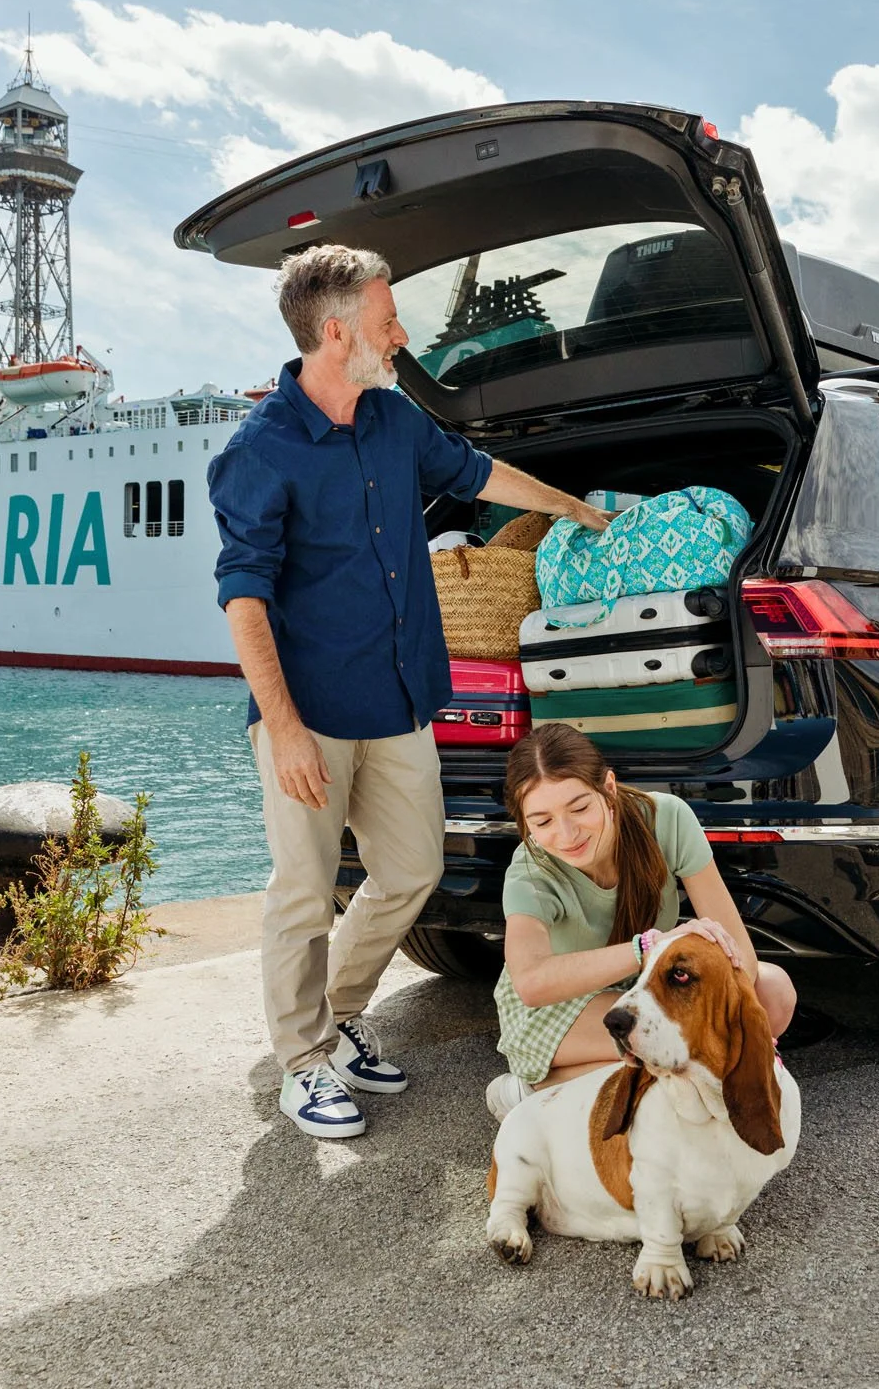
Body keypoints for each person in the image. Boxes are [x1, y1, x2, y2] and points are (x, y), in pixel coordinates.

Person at [210, 244, 609, 1139]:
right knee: (305, 892)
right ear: (339, 329)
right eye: (389, 321)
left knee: (411, 871)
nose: (401, 335)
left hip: (400, 702)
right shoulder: (260, 450)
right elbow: (244, 599)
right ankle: (302, 1063)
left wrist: (574, 509)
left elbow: (481, 476)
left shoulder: (394, 421)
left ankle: (339, 1013)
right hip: (305, 716)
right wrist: (284, 730)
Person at [485, 723, 798, 1119]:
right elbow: (531, 983)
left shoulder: (666, 818)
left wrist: (718, 1031)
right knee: (659, 1073)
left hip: (642, 988)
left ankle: (591, 1084)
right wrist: (650, 948)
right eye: (542, 821)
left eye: (580, 808)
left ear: (609, 789)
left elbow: (740, 957)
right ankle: (531, 1090)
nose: (566, 834)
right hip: (556, 1005)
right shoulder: (529, 872)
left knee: (772, 992)